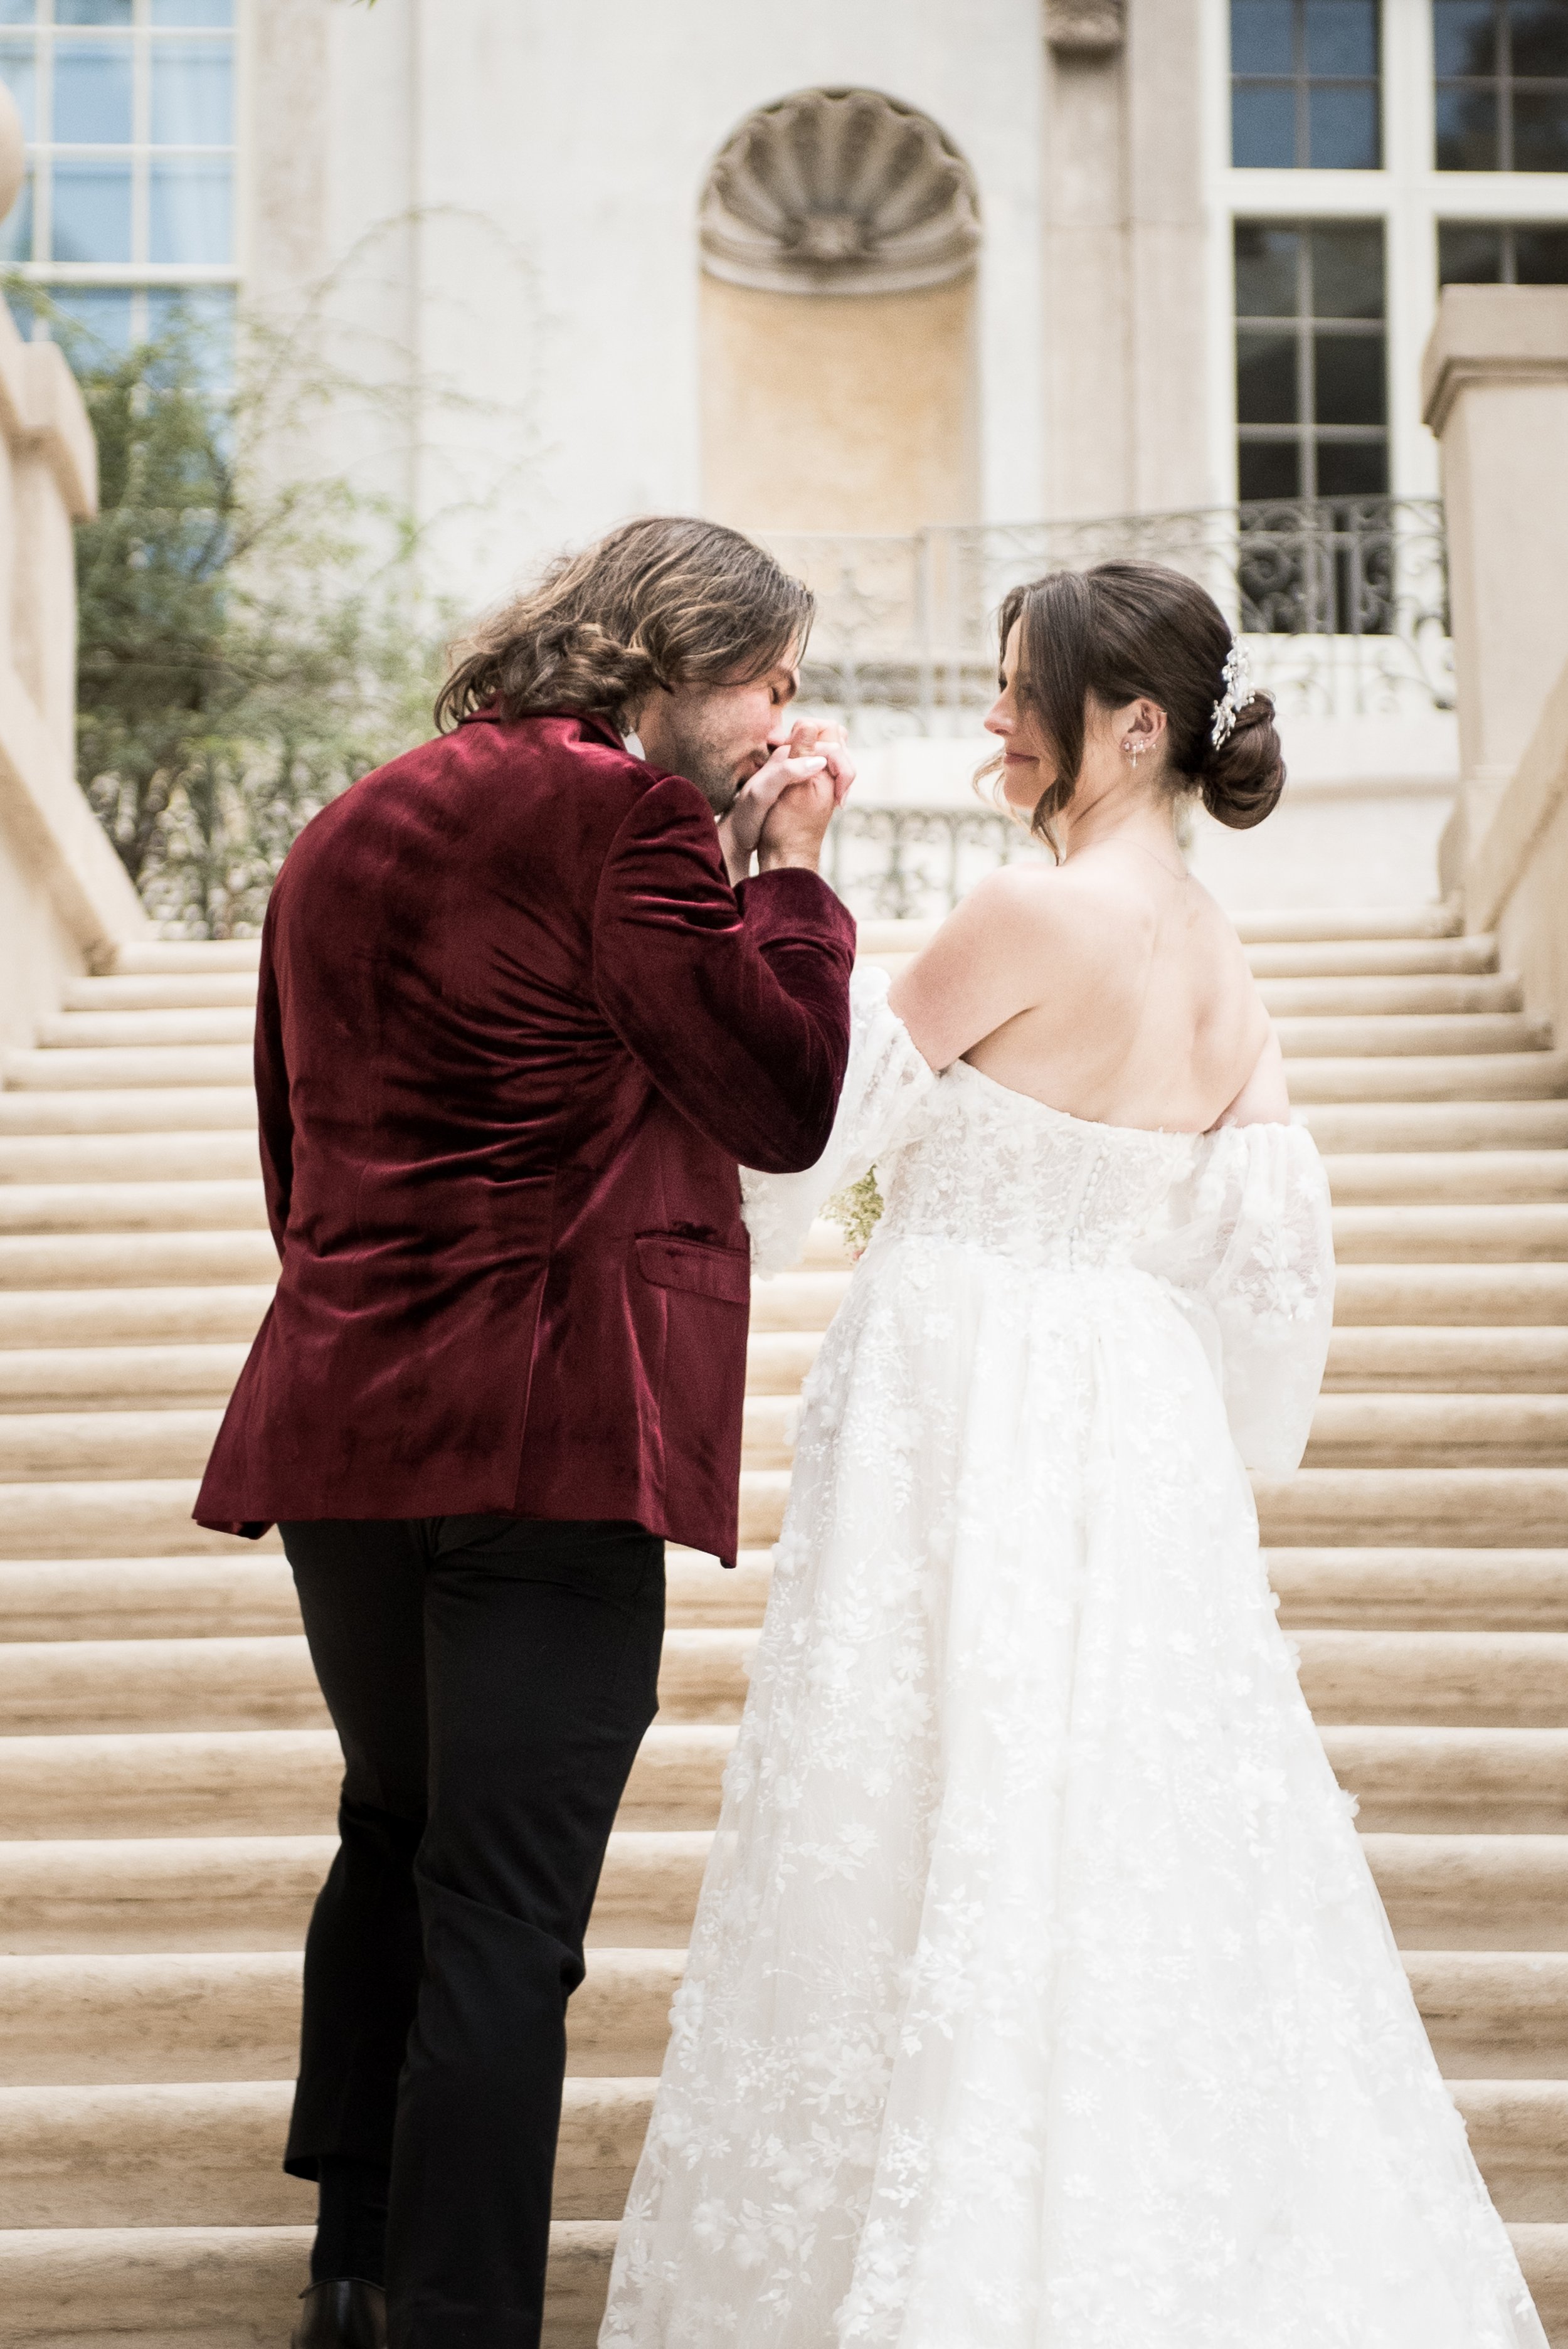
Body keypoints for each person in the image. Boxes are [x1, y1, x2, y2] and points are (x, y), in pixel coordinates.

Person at [601, 562, 1547, 2349]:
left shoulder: (1031, 918)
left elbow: (796, 1126)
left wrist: (778, 868)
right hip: (1123, 1399)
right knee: (1098, 1812)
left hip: (971, 1390)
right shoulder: (1214, 952)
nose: (991, 717)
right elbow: (1263, 1257)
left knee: (934, 1798)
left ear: (1132, 721)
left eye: (1019, 687)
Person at [192, 517, 859, 2349]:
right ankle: (463, 2313)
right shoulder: (629, 822)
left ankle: (352, 2261)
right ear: (672, 655)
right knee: (502, 1903)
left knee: (394, 1829)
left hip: (342, 1425)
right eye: (768, 682)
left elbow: (289, 1141)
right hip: (550, 1437)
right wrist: (790, 877)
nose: (779, 720)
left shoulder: (346, 821)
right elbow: (781, 1092)